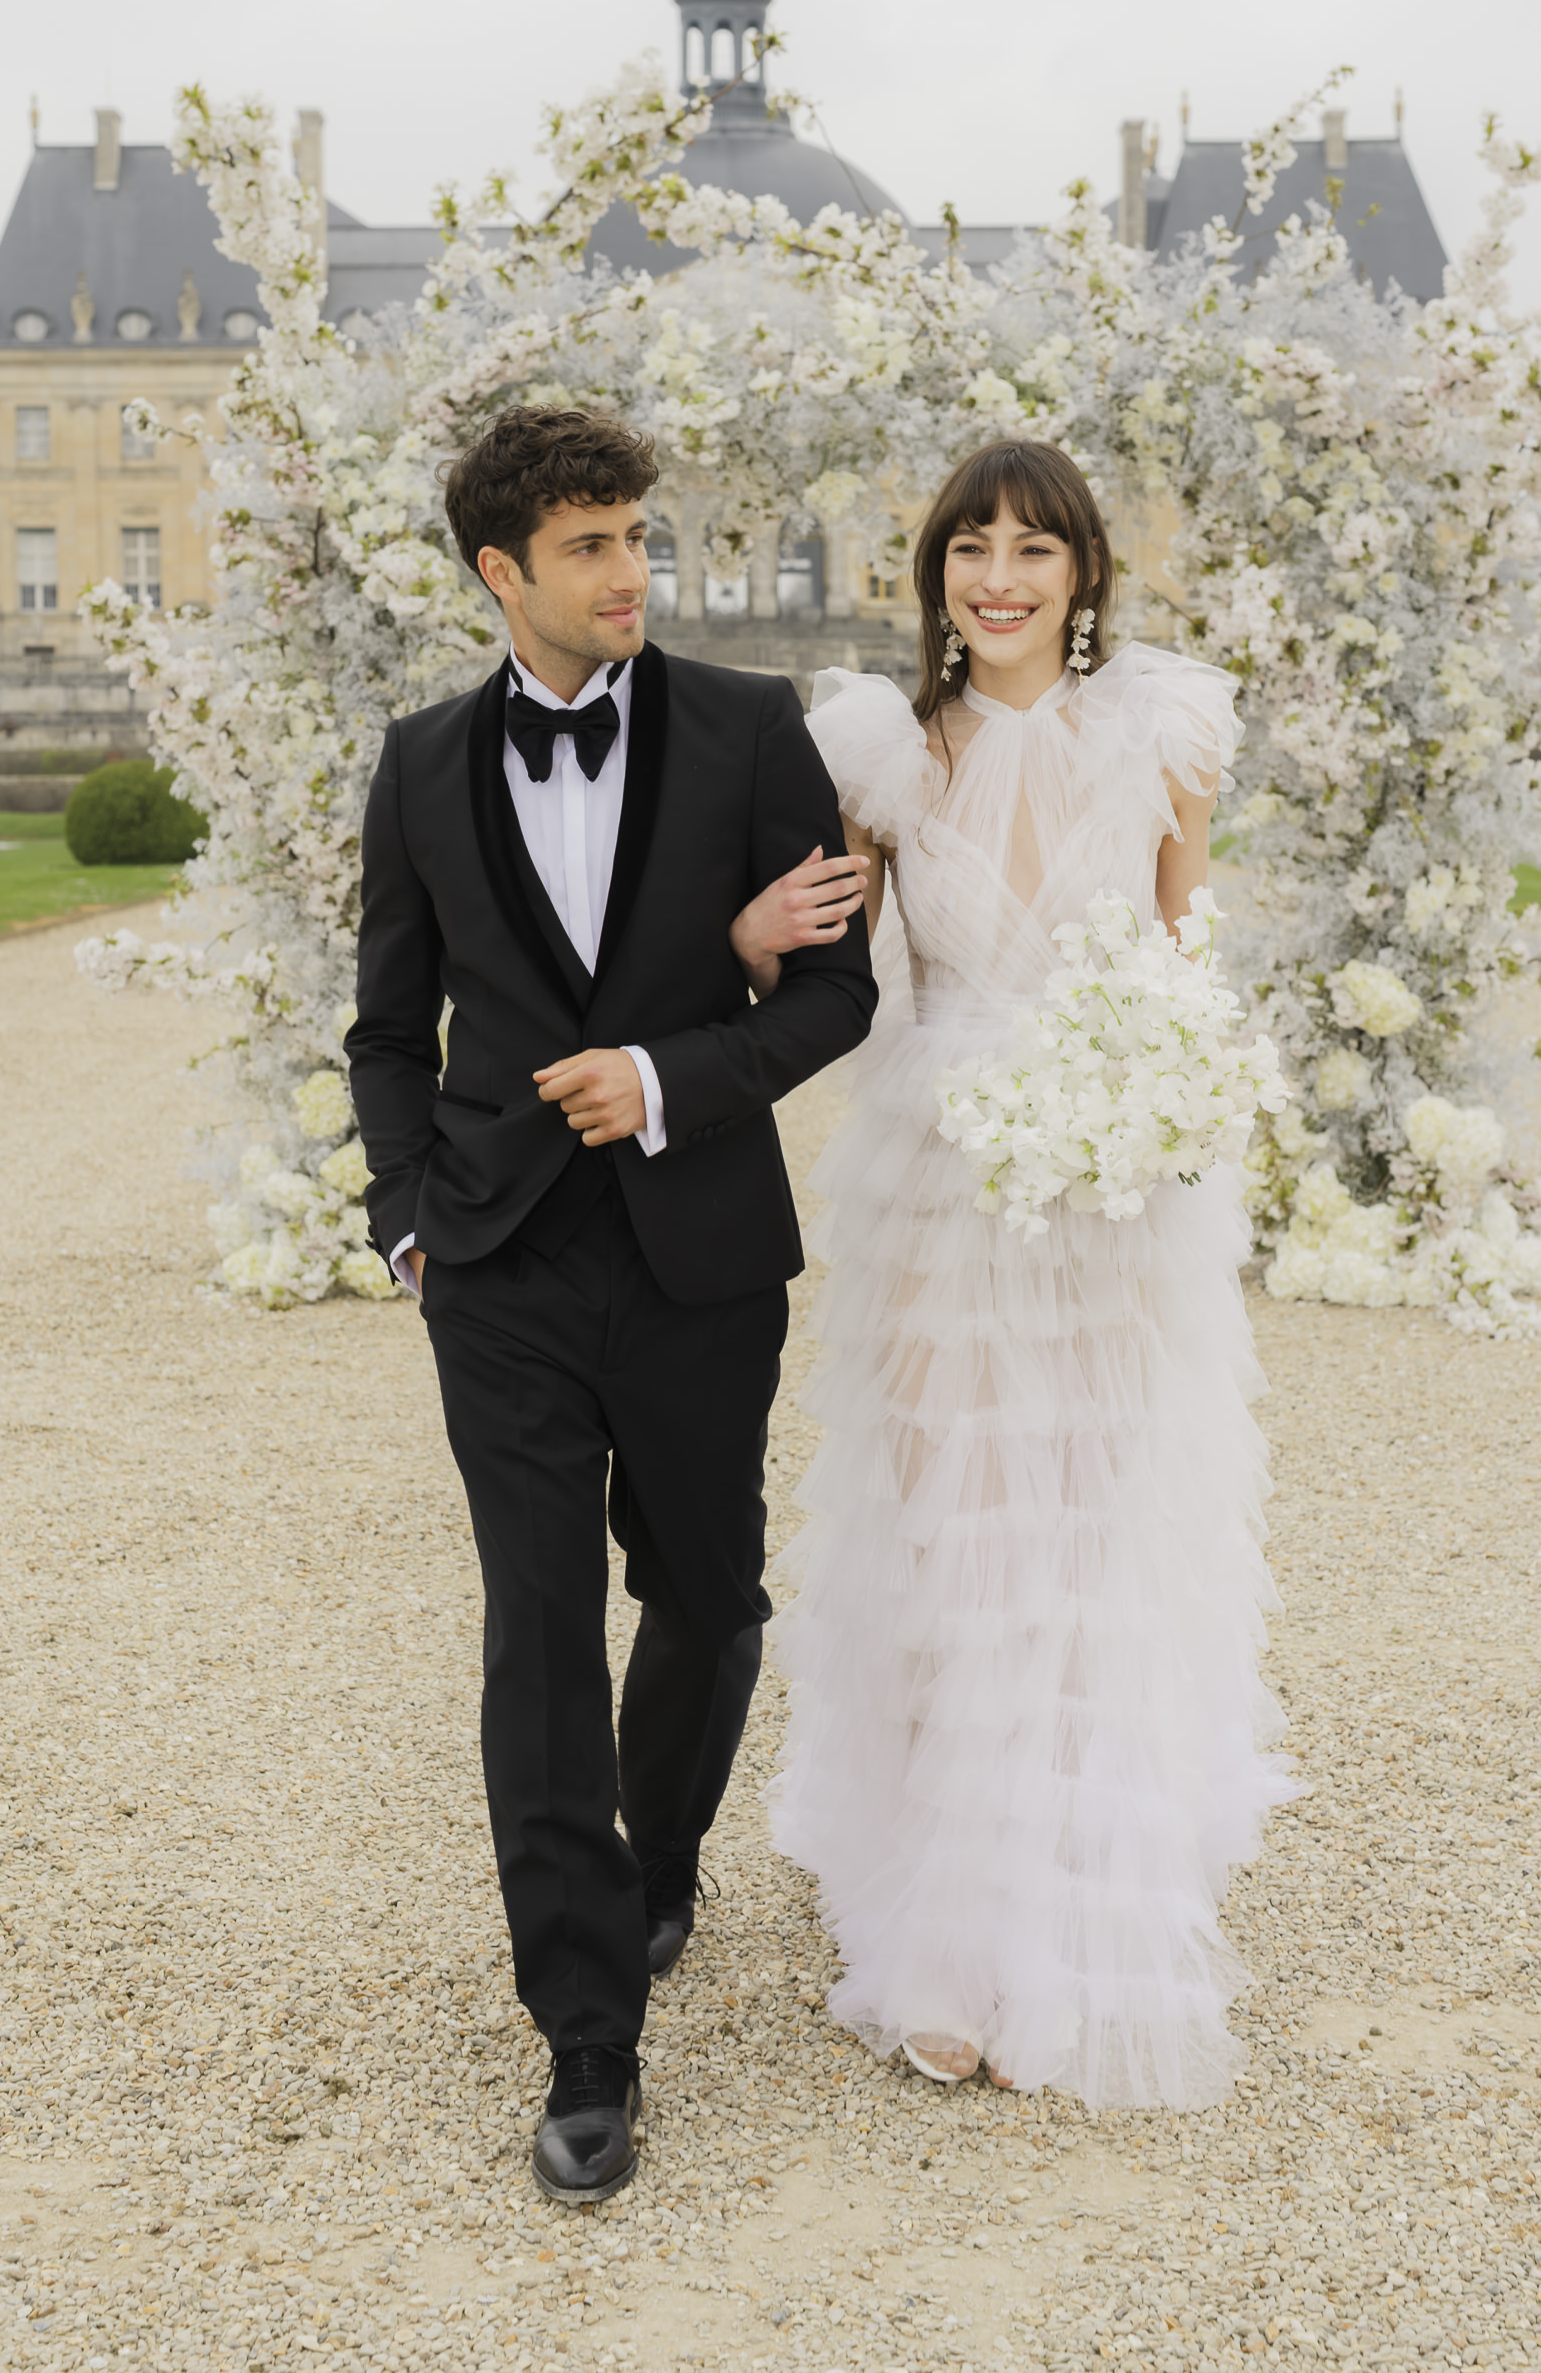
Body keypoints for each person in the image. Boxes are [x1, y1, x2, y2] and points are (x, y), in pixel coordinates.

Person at [345, 405, 875, 2202]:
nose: (628, 571)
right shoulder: (417, 762)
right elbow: (383, 1026)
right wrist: (405, 1216)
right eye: (587, 544)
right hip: (493, 1264)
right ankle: (586, 2038)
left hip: (700, 1253)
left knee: (710, 1594)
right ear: (503, 572)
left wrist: (662, 1078)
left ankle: (663, 1863)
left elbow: (833, 1000)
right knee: (540, 1626)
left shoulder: (749, 731)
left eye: (636, 536)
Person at [734, 439, 1301, 2108]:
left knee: (1093, 1528)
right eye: (968, 548)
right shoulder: (883, 750)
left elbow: (1187, 942)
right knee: (953, 1531)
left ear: (1080, 572)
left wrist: (1178, 1092)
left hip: (1120, 1183)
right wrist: (754, 938)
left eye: (1030, 550)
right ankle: (946, 1935)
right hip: (941, 1171)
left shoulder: (1169, 729)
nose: (998, 577)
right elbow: (827, 956)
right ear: (933, 577)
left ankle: (1078, 1889)